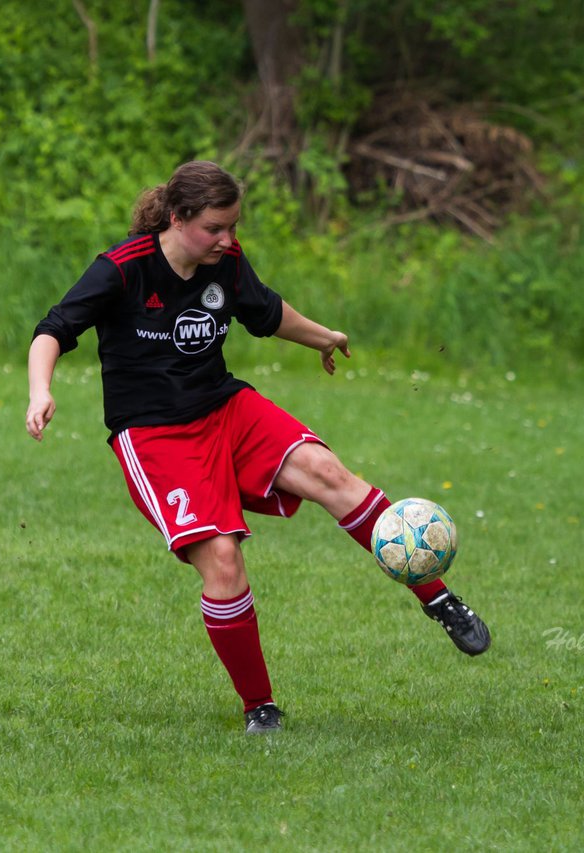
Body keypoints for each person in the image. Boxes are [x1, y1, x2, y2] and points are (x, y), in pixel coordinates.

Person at [26, 160, 490, 734]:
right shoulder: (123, 270)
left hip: (225, 408)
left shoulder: (228, 261)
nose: (227, 239)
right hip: (154, 436)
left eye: (232, 226)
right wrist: (39, 391)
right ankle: (260, 709)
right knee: (223, 561)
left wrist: (326, 337)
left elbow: (266, 312)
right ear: (177, 218)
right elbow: (53, 329)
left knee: (327, 472)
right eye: (214, 228)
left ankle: (438, 598)